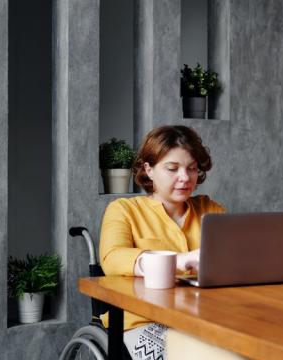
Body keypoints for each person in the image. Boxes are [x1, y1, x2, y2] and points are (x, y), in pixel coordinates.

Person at [99, 125, 225, 359]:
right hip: (142, 322)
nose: (185, 178)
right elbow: (112, 258)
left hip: (204, 318)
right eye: (172, 169)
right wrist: (179, 260)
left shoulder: (209, 209)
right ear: (149, 170)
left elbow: (235, 258)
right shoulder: (124, 211)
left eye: (192, 168)